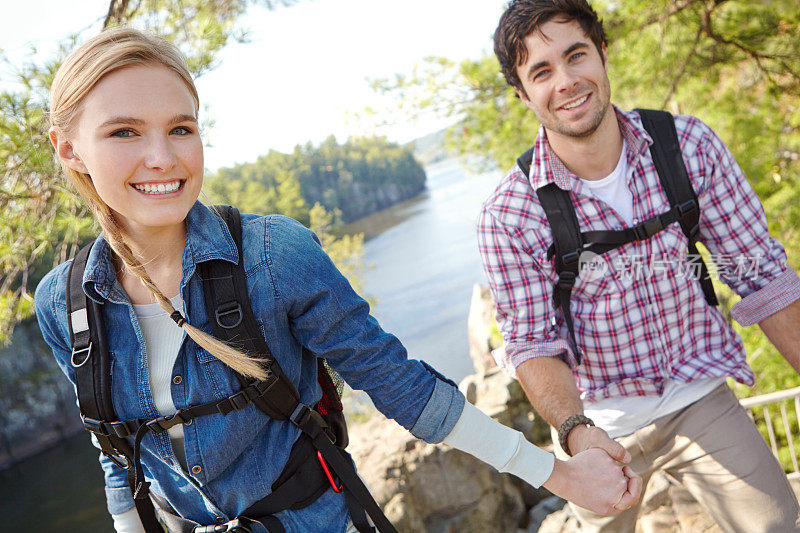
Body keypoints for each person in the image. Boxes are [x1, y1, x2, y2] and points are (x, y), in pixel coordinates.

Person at [34, 27, 640, 533]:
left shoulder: (271, 255)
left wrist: (558, 476)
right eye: (123, 132)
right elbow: (118, 456)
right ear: (68, 150)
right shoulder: (64, 306)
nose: (163, 157)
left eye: (181, 128)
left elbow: (397, 383)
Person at [478, 0, 800, 531]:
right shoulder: (509, 215)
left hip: (698, 393)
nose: (566, 82)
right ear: (522, 94)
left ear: (603, 54)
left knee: (778, 522)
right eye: (541, 72)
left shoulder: (687, 148)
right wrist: (578, 432)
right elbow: (532, 345)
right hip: (598, 425)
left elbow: (764, 276)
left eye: (575, 55)